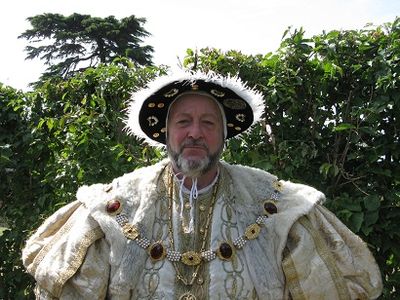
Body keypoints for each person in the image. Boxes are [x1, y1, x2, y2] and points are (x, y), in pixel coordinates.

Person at [22, 71, 382, 299]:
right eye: (184, 122)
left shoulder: (278, 204)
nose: (195, 132)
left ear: (224, 135)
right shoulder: (115, 204)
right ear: (166, 132)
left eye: (208, 122)